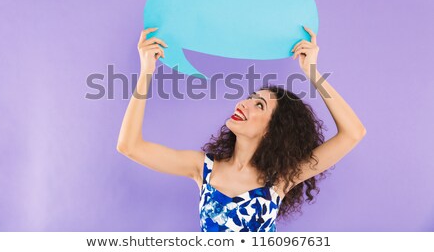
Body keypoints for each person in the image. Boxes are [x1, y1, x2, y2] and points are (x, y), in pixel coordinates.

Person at [117, 26, 366, 232]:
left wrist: (311, 71)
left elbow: (353, 133)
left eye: (259, 104)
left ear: (274, 129)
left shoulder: (282, 178)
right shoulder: (203, 168)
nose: (244, 103)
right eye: (250, 97)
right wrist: (146, 72)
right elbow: (129, 146)